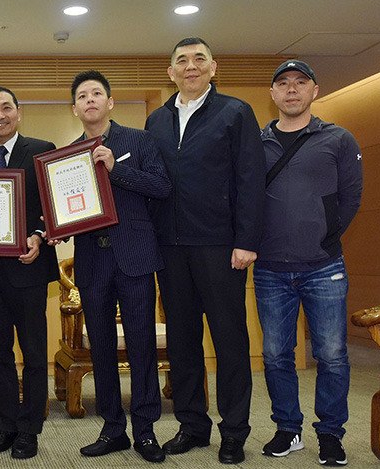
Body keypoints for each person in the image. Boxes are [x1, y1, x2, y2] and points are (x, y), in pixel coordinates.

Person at [144, 37, 266, 464]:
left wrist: (246, 241)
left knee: (230, 341)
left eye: (199, 59)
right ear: (170, 72)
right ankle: (193, 426)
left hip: (220, 247)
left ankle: (233, 432)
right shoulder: (155, 121)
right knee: (181, 343)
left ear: (214, 67)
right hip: (170, 248)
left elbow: (251, 180)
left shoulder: (235, 112)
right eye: (182, 60)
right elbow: (148, 182)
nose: (190, 66)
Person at [255, 60, 362, 466]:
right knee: (276, 355)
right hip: (269, 269)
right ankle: (288, 429)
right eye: (283, 84)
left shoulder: (338, 139)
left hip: (324, 266)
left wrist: (327, 235)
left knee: (332, 355)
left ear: (314, 91)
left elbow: (351, 196)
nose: (292, 90)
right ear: (273, 95)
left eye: (301, 83)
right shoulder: (257, 142)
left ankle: (331, 434)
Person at [68, 71, 171, 463]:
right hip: (92, 261)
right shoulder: (67, 155)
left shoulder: (138, 140)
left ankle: (145, 431)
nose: (90, 100)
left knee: (142, 345)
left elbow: (162, 187)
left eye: (97, 93)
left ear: (110, 102)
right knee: (102, 349)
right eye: (82, 95)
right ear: (75, 108)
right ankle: (113, 429)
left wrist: (116, 168)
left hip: (135, 258)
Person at [0, 87, 59, 460]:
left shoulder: (41, 149)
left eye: (6, 108)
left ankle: (30, 430)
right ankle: (6, 426)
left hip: (29, 271)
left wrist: (38, 236)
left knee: (34, 355)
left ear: (18, 113)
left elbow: (52, 208)